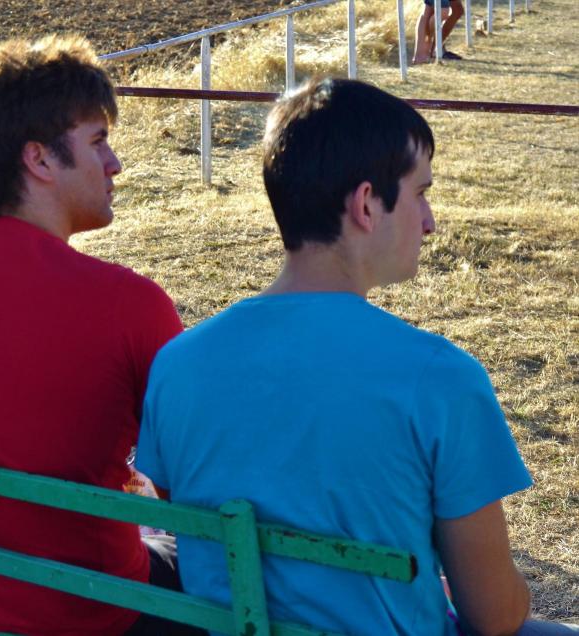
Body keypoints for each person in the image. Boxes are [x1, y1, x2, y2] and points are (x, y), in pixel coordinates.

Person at [136, 78, 578, 635]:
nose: (429, 220)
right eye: (420, 193)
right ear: (366, 204)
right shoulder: (439, 377)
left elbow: (188, 517)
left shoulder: (178, 364)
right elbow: (493, 615)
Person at [0, 36, 198, 636]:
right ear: (39, 160)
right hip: (88, 612)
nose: (114, 163)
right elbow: (192, 485)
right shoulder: (129, 303)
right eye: (97, 141)